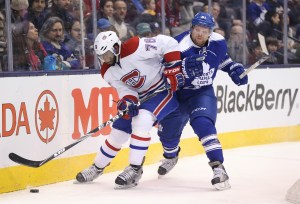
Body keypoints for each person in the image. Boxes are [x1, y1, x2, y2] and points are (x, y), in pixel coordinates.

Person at [76, 31, 188, 189]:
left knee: (142, 121)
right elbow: (125, 89)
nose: (105, 59)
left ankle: (135, 169)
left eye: (107, 54)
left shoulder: (136, 46)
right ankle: (97, 167)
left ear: (116, 47)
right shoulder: (107, 71)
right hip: (142, 97)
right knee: (119, 130)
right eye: (101, 56)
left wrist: (174, 67)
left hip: (163, 91)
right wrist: (127, 101)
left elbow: (167, 42)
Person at [157, 12, 248, 191]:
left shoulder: (218, 41)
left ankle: (218, 168)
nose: (200, 34)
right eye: (197, 29)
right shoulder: (178, 46)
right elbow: (164, 74)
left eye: (204, 30)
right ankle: (171, 156)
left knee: (203, 124)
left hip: (202, 93)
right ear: (191, 28)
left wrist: (234, 69)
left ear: (210, 32)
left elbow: (222, 61)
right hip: (178, 95)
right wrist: (182, 71)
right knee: (167, 135)